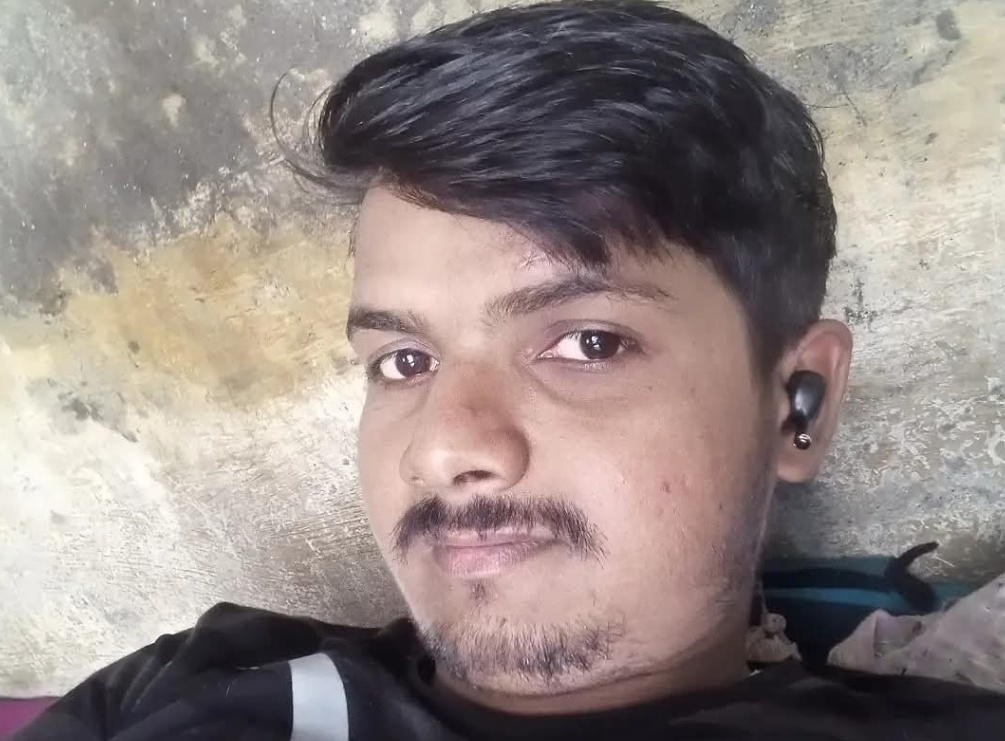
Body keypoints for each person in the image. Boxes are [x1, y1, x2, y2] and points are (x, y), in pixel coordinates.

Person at [13, 1, 1005, 739]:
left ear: (799, 404)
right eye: (404, 359)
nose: (444, 447)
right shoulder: (187, 686)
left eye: (587, 343)